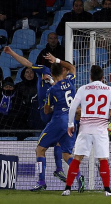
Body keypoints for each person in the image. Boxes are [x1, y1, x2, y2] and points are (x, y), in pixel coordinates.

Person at [4, 46, 79, 184]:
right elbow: (27, 63)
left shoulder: (59, 80)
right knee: (56, 142)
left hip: (56, 112)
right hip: (47, 111)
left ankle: (53, 173)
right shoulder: (47, 72)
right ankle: (62, 171)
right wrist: (12, 53)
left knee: (50, 145)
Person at [25, 53, 82, 191]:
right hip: (71, 122)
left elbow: (46, 111)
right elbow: (72, 67)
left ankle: (41, 182)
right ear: (64, 70)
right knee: (66, 154)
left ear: (51, 72)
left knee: (40, 149)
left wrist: (50, 103)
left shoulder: (52, 90)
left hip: (59, 120)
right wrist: (57, 60)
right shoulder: (70, 81)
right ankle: (79, 176)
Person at [62, 65, 111, 196]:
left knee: (77, 158)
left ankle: (67, 189)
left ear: (90, 77)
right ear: (102, 77)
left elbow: (72, 107)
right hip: (101, 130)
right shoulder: (108, 89)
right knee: (103, 159)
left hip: (85, 128)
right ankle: (107, 190)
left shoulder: (83, 89)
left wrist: (71, 123)